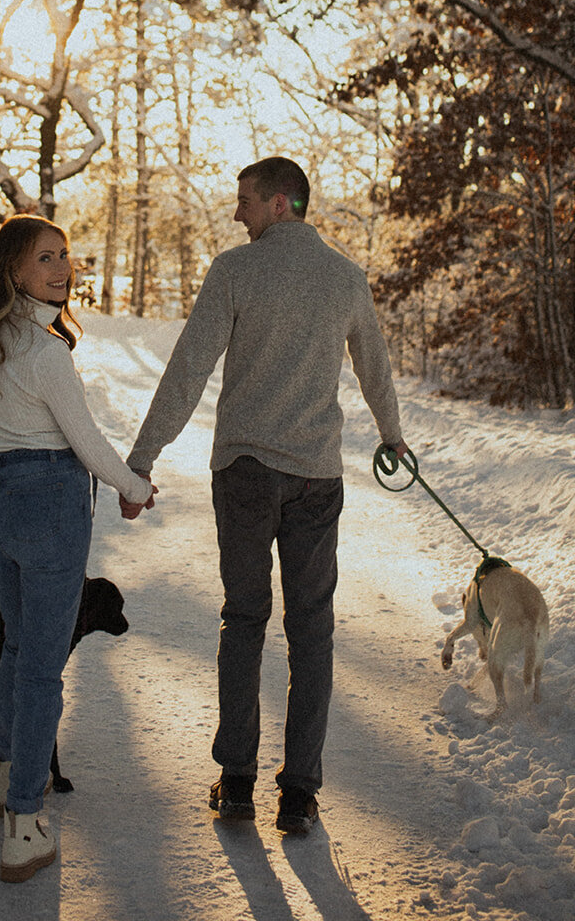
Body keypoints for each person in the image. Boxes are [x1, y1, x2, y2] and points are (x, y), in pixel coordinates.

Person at [122, 156, 408, 835]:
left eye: (244, 199)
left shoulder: (236, 270)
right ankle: (300, 793)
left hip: (246, 474)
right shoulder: (345, 278)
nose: (235, 212)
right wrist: (392, 435)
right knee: (312, 630)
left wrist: (140, 460)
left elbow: (188, 370)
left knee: (244, 619)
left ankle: (238, 781)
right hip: (315, 477)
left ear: (281, 203)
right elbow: (375, 366)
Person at [0, 214, 155, 884]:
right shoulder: (46, 351)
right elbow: (86, 442)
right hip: (48, 505)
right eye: (45, 258)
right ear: (15, 270)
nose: (62, 268)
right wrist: (134, 485)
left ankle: (6, 779)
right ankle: (25, 827)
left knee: (15, 642)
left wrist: (6, 427)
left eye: (64, 255)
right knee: (40, 666)